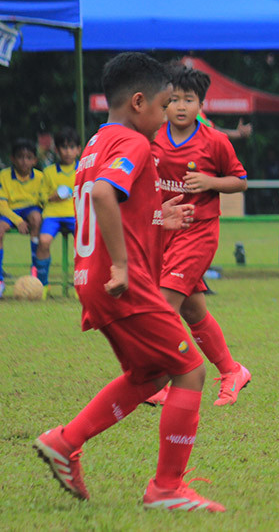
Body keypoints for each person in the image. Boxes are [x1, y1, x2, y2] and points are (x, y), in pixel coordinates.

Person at [32, 52, 225, 511]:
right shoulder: (136, 143)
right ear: (139, 102)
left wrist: (162, 216)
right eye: (163, 105)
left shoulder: (98, 142)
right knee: (190, 371)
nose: (165, 117)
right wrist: (121, 265)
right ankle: (167, 488)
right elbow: (103, 195)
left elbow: (115, 204)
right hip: (123, 281)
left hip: (91, 278)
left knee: (150, 373)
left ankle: (65, 441)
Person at [144, 61, 252, 408]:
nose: (180, 107)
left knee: (162, 307)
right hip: (163, 233)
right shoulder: (153, 137)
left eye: (188, 100)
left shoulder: (215, 141)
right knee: (192, 312)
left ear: (201, 105)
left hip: (198, 234)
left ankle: (162, 380)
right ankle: (232, 371)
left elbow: (240, 180)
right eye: (173, 100)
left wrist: (210, 182)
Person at [36, 128, 82, 294]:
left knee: (83, 246)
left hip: (76, 215)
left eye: (72, 147)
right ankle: (42, 285)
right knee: (44, 242)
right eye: (64, 147)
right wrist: (51, 197)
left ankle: (82, 285)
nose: (68, 152)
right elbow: (41, 197)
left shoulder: (83, 169)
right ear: (57, 150)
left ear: (78, 149)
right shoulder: (48, 172)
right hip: (53, 216)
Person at [0, 138, 46, 299]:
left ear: (34, 160)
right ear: (12, 158)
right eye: (20, 157)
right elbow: (2, 206)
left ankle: (34, 268)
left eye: (28, 157)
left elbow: (43, 201)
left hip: (30, 209)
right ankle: (0, 279)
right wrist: (18, 221)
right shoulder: (4, 176)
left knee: (36, 218)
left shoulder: (40, 177)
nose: (24, 161)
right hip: (10, 211)